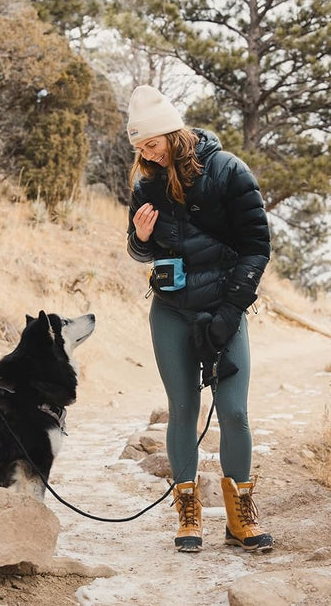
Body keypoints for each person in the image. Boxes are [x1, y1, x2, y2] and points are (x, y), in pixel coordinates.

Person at [126, 85, 273, 554]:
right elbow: (140, 252)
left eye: (151, 143)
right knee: (183, 411)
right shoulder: (146, 184)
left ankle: (240, 515)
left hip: (226, 308)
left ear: (172, 132)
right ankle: (188, 511)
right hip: (170, 310)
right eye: (139, 148)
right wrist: (141, 239)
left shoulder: (229, 170)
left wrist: (229, 314)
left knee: (234, 413)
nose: (146, 155)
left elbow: (256, 246)